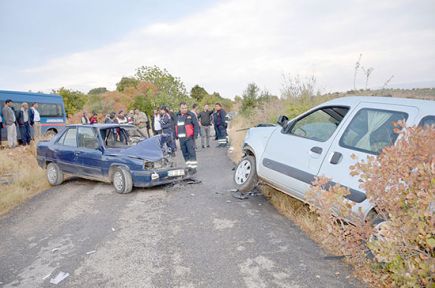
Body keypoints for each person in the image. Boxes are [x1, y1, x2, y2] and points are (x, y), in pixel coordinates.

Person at [175, 102, 200, 170]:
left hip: (189, 138)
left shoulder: (191, 115)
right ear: (179, 108)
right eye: (183, 108)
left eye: (186, 108)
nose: (185, 109)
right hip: (181, 139)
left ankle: (193, 168)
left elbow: (196, 125)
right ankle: (189, 166)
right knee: (185, 153)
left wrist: (195, 135)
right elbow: (175, 126)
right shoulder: (177, 115)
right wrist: (175, 135)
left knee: (191, 152)